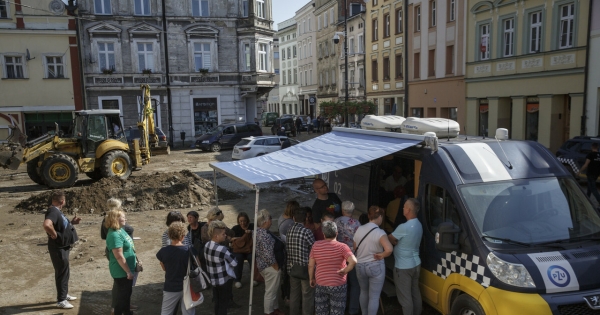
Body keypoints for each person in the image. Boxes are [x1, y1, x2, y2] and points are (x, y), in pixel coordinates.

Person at [309, 221, 357, 315]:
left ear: (323, 234)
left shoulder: (316, 245)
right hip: (338, 284)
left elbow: (311, 265)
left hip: (321, 283)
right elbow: (353, 261)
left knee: (321, 311)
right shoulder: (342, 247)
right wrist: (345, 270)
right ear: (336, 233)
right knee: (337, 311)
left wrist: (311, 278)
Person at [43, 190, 81, 309]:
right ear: (63, 201)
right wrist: (54, 234)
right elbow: (47, 224)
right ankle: (61, 300)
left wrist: (71, 223)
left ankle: (64, 294)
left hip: (63, 247)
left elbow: (61, 225)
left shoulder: (56, 211)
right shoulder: (53, 211)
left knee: (65, 272)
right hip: (58, 248)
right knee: (61, 273)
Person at [353, 206, 393, 315]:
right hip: (375, 266)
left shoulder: (359, 229)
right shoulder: (380, 232)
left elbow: (355, 247)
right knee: (374, 296)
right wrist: (382, 255)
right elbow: (389, 249)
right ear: (379, 217)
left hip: (360, 266)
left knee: (364, 292)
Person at [101, 198, 137, 315]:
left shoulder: (120, 230)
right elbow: (119, 256)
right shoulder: (114, 235)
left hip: (126, 269)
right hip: (121, 271)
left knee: (126, 295)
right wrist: (128, 272)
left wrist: (136, 262)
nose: (125, 218)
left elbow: (130, 246)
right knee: (121, 299)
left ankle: (127, 312)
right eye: (123, 217)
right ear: (116, 219)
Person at [388, 198, 423, 315]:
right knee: (415, 294)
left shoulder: (404, 227)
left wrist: (395, 242)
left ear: (408, 210)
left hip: (403, 267)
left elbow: (390, 238)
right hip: (416, 263)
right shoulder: (419, 224)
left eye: (404, 207)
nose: (402, 208)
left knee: (405, 298)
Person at [156, 222, 196, 315]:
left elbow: (164, 268)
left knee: (166, 312)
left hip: (170, 286)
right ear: (183, 236)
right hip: (188, 286)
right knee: (188, 312)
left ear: (169, 235)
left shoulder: (163, 251)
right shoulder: (189, 251)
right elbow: (196, 266)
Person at [204, 220, 238, 315]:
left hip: (213, 280)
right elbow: (234, 263)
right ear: (216, 236)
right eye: (223, 234)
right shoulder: (222, 249)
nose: (225, 235)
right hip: (223, 280)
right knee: (223, 305)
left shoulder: (207, 245)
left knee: (217, 303)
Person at [286, 207, 316, 315]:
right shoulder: (306, 231)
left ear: (294, 218)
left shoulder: (289, 230)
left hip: (292, 267)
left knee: (294, 295)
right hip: (305, 269)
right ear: (305, 219)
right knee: (307, 295)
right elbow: (314, 249)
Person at [255, 210, 285, 315]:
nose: (271, 220)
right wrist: (275, 266)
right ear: (265, 221)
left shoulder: (259, 232)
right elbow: (268, 254)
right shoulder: (264, 235)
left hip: (265, 265)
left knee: (273, 289)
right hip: (270, 267)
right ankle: (269, 311)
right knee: (271, 291)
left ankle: (274, 308)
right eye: (270, 218)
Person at [333, 201, 360, 315]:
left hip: (338, 255)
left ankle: (340, 309)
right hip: (352, 256)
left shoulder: (336, 221)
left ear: (342, 210)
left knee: (340, 283)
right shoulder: (357, 223)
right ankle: (353, 310)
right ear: (352, 211)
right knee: (355, 284)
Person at [231, 212, 254, 289]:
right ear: (238, 221)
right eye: (240, 221)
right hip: (239, 250)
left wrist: (252, 233)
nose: (242, 223)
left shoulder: (252, 226)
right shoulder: (235, 229)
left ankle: (254, 278)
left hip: (249, 249)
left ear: (247, 220)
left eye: (244, 221)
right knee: (238, 258)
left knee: (252, 257)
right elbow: (229, 238)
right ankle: (237, 280)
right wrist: (233, 239)